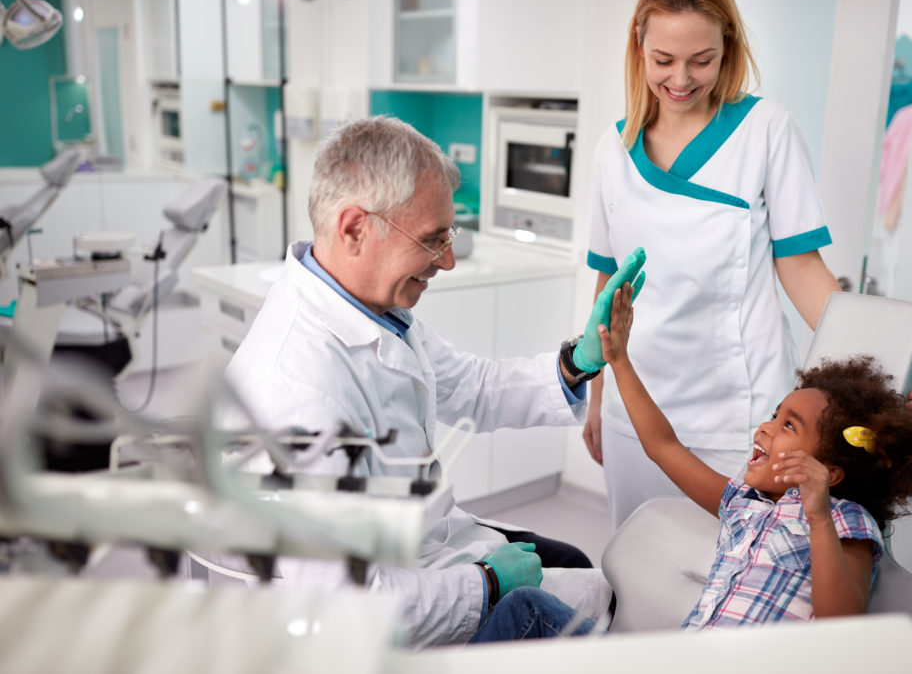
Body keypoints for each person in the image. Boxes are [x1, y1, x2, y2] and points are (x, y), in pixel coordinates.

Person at [222, 115, 643, 648]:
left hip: (416, 551)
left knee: (574, 564)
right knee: (603, 604)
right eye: (432, 238)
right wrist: (487, 585)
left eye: (449, 234)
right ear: (354, 228)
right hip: (378, 624)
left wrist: (578, 362)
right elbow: (345, 613)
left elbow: (473, 387)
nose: (446, 259)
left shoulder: (369, 310)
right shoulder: (299, 391)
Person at [582, 0, 912, 528]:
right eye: (664, 60)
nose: (681, 79)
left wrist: (882, 361)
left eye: (701, 60)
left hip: (737, 422)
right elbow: (610, 282)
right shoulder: (613, 147)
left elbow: (801, 267)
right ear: (639, 47)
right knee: (635, 574)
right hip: (635, 408)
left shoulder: (765, 130)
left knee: (737, 583)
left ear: (728, 49)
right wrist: (596, 393)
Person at [597, 283, 912, 626]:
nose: (766, 427)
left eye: (789, 425)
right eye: (775, 415)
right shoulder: (740, 501)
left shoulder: (844, 520)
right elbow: (663, 446)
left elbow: (841, 622)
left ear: (830, 472)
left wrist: (818, 515)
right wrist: (620, 362)